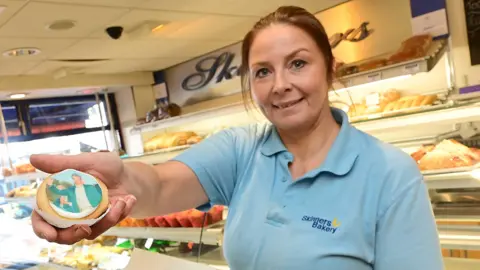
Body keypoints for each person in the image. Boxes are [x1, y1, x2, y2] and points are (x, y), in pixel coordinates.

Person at [30, 6, 443, 270]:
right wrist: (114, 183)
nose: (280, 85)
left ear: (330, 69)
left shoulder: (390, 174)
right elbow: (158, 184)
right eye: (263, 71)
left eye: (298, 63)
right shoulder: (242, 150)